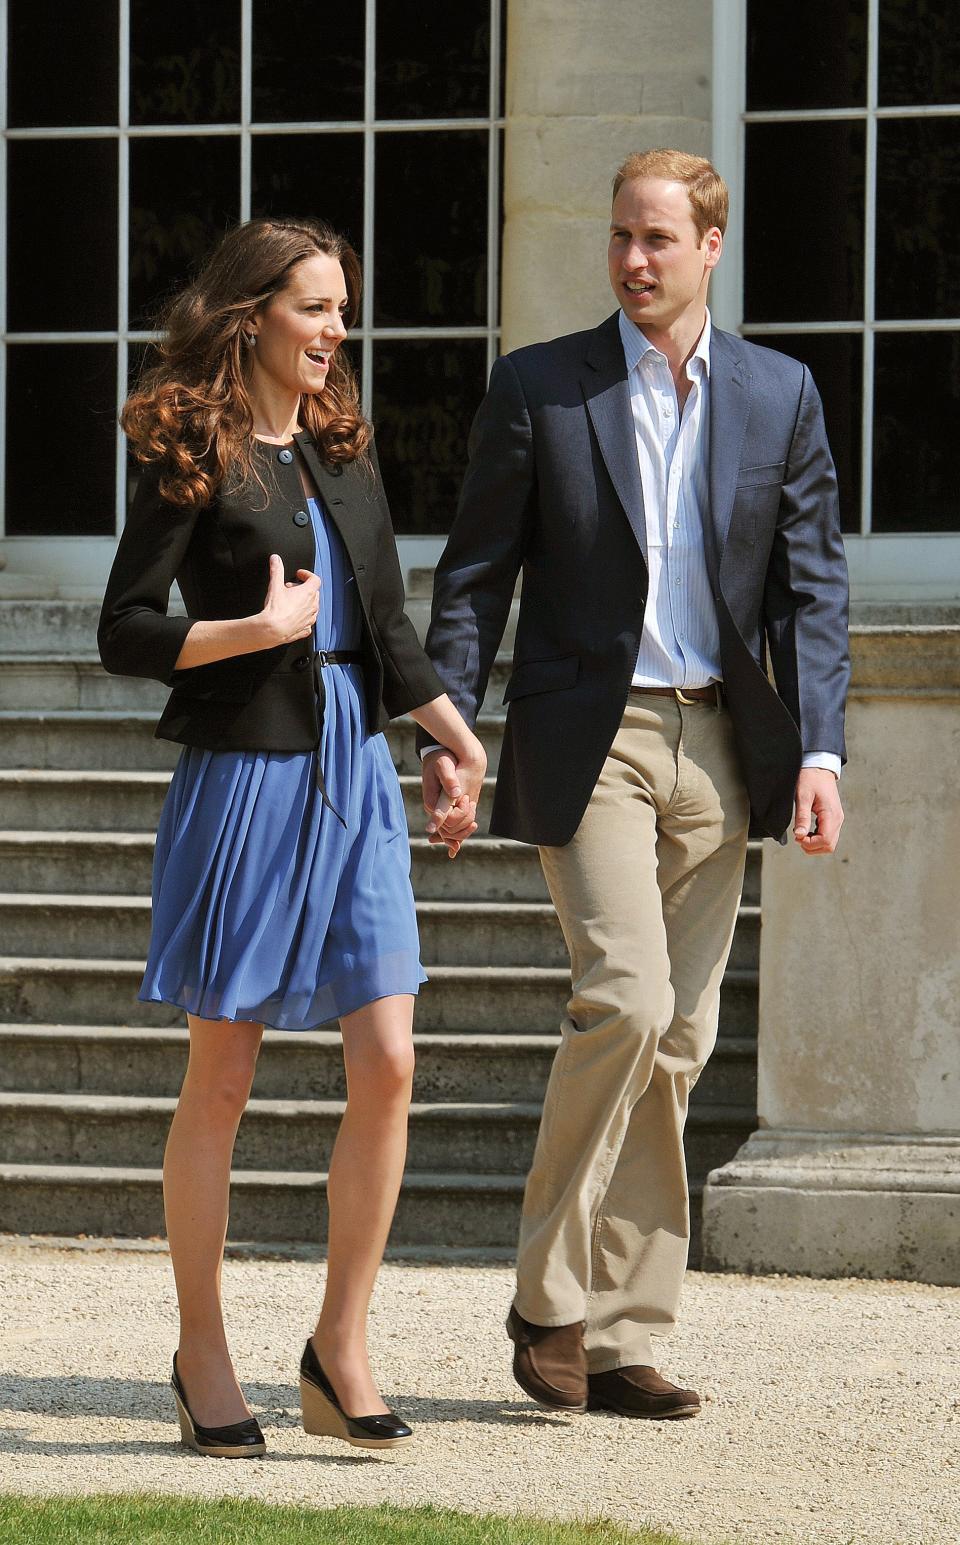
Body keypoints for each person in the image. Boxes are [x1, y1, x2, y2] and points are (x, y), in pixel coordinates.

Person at [418, 150, 848, 1419]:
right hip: (587, 736)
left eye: (659, 239)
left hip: (722, 742)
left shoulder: (779, 394)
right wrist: (448, 726)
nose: (633, 261)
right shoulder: (542, 387)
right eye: (620, 237)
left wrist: (820, 751)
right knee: (626, 992)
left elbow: (812, 587)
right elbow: (474, 575)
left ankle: (622, 1333)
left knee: (681, 1039)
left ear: (712, 244)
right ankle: (547, 1297)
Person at [98, 217, 484, 1457]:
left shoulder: (344, 453)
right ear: (251, 313)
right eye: (314, 308)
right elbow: (124, 628)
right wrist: (250, 636)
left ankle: (340, 1347)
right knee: (224, 1075)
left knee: (390, 1061)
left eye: (343, 310)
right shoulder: (195, 454)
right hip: (247, 777)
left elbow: (389, 632)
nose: (335, 333)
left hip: (355, 777)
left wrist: (453, 740)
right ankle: (201, 1352)